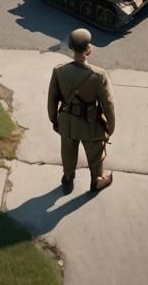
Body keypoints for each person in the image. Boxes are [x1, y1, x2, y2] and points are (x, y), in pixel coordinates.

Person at [47, 27, 116, 195]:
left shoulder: (59, 71)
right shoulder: (100, 75)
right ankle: (97, 181)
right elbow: (109, 106)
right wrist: (110, 128)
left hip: (67, 123)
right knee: (96, 154)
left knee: (68, 151)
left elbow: (52, 100)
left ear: (71, 48)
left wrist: (55, 120)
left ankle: (68, 178)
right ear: (88, 49)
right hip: (90, 125)